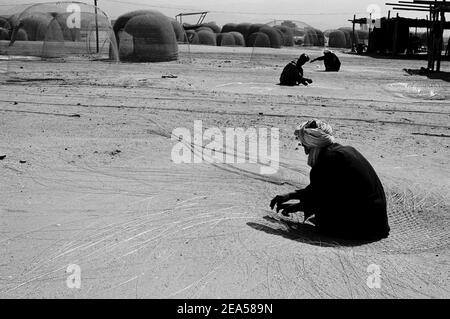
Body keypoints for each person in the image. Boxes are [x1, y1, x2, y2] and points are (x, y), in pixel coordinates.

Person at [270, 119, 390, 240]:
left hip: (365, 229)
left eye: (305, 146)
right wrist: (290, 196)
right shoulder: (347, 150)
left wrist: (295, 205)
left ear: (311, 146)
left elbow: (318, 195)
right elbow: (322, 188)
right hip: (379, 224)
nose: (306, 152)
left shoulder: (326, 161)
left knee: (323, 214)